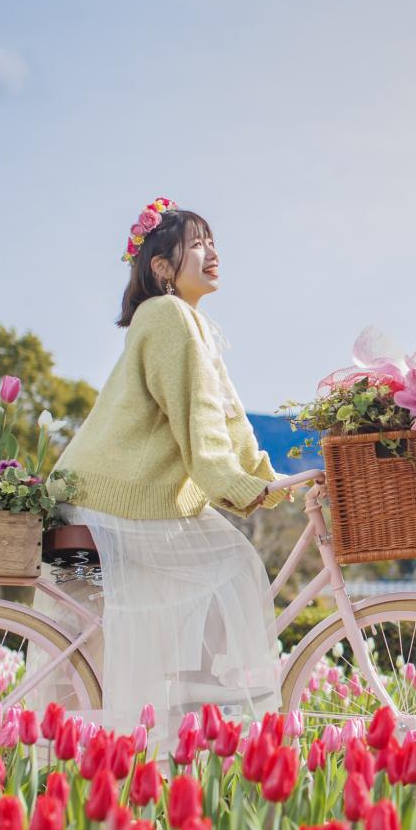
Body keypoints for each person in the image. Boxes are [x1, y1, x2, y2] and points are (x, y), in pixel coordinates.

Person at [49, 197, 289, 747]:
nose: (212, 252)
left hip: (124, 499)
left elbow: (228, 420)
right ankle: (197, 684)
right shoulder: (168, 317)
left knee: (101, 648)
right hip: (113, 500)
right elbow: (200, 430)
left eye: (212, 242)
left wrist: (265, 479)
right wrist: (241, 488)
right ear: (161, 267)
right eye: (197, 243)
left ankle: (152, 720)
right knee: (235, 566)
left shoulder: (194, 325)